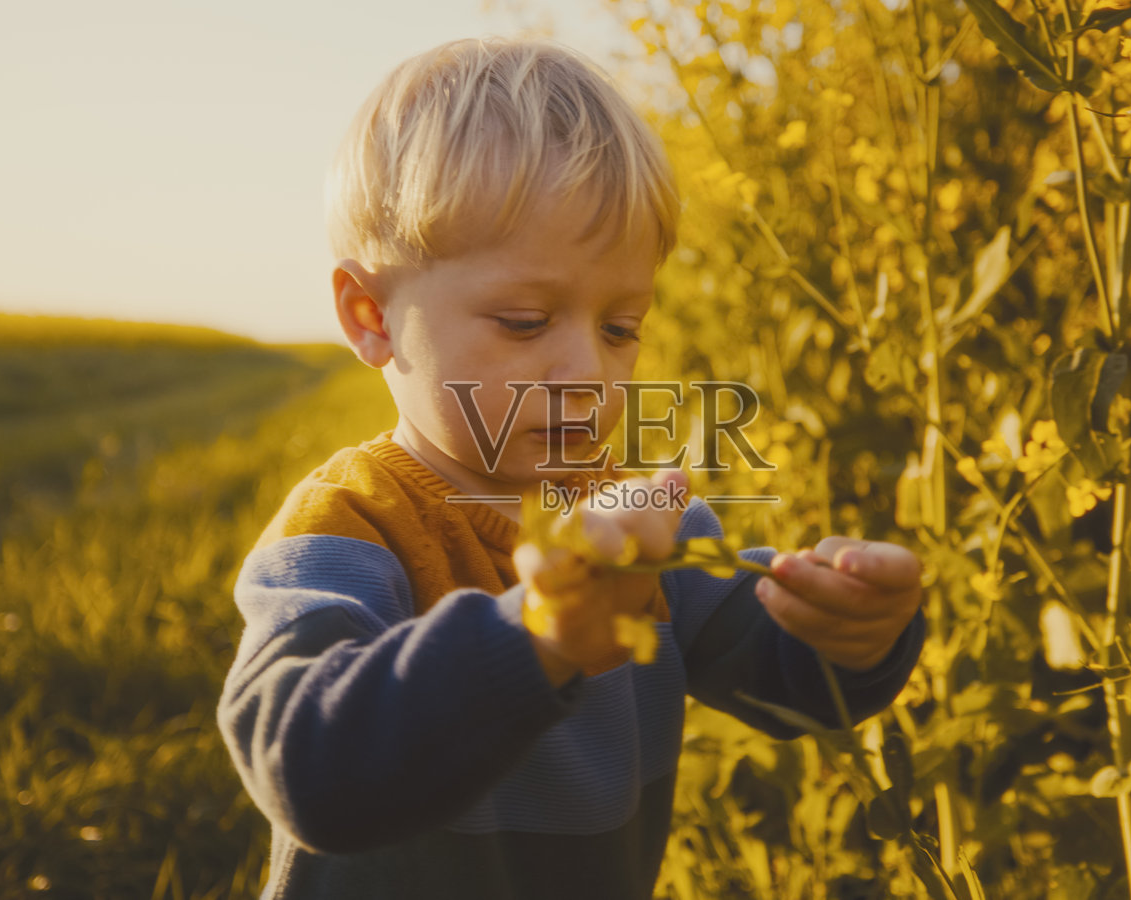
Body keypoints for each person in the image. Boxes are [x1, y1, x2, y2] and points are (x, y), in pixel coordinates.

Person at [216, 35, 926, 900]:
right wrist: (534, 636)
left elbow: (787, 689)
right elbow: (308, 775)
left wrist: (851, 636)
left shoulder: (643, 528)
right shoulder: (348, 531)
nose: (588, 369)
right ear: (370, 315)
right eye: (523, 321)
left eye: (620, 329)